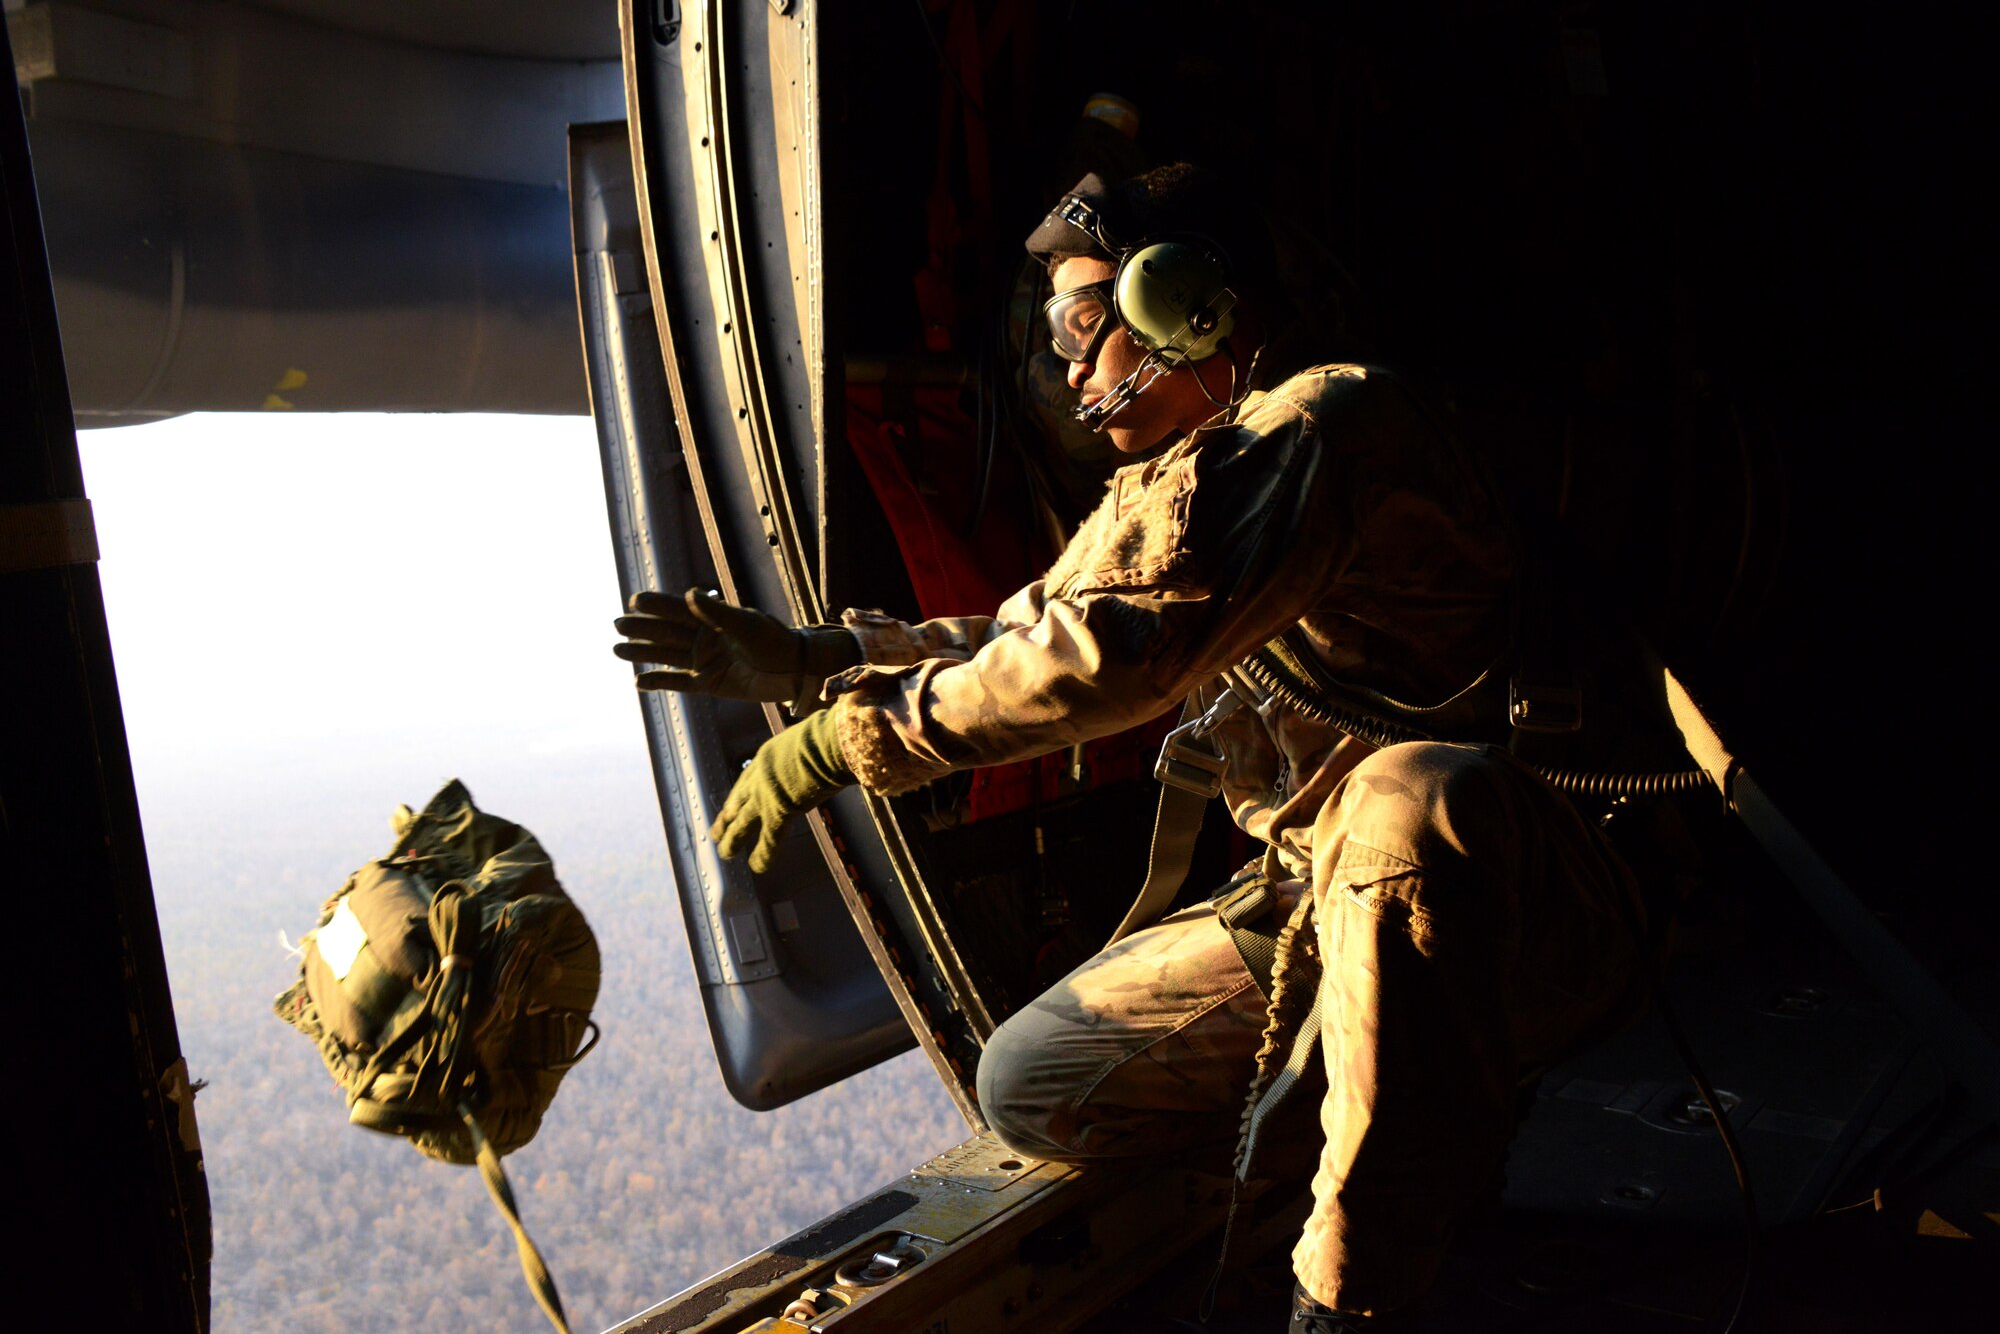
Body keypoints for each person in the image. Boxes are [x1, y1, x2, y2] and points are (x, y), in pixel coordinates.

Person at [614, 164, 1652, 1331]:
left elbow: (1111, 653)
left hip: (1527, 908)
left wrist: (838, 742)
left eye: (1079, 320)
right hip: (1326, 900)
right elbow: (1036, 623)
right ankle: (1401, 1084)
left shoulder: (1326, 424)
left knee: (1406, 801)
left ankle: (1350, 1296)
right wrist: (817, 658)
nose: (1064, 367)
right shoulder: (1190, 479)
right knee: (1034, 1086)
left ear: (1185, 304)